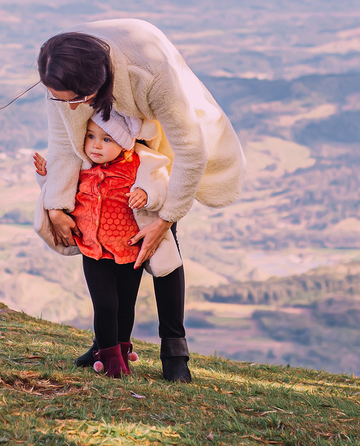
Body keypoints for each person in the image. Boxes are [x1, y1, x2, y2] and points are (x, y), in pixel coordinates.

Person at [32, 19, 246, 382]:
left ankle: (174, 350)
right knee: (105, 250)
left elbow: (191, 150)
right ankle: (107, 342)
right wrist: (56, 205)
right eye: (60, 99)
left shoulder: (152, 73)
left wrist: (165, 218)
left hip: (155, 144)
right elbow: (64, 141)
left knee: (162, 245)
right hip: (108, 142)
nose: (69, 109)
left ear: (95, 85)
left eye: (76, 101)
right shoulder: (61, 71)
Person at [33, 112, 182, 377]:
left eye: (106, 139)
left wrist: (146, 193)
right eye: (90, 136)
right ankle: (110, 359)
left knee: (126, 306)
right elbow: (62, 186)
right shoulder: (84, 165)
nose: (95, 145)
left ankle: (122, 352)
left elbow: (162, 187)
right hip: (95, 250)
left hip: (129, 250)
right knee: (105, 305)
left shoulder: (141, 165)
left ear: (125, 143)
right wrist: (46, 177)